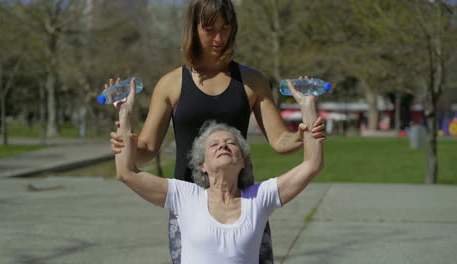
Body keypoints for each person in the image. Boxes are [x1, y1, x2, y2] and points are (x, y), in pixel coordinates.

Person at [107, 0, 325, 262]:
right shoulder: (171, 84)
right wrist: (128, 146)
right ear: (193, 28)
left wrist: (302, 135)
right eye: (210, 29)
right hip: (188, 205)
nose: (219, 38)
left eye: (226, 28)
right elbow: (146, 151)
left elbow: (280, 141)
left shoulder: (252, 81)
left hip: (241, 199)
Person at [114, 78, 324, 264]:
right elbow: (126, 173)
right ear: (201, 165)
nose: (222, 146)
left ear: (243, 161)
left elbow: (312, 164)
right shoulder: (185, 196)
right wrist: (125, 114)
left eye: (231, 143)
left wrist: (308, 107)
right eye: (214, 145)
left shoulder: (259, 198)